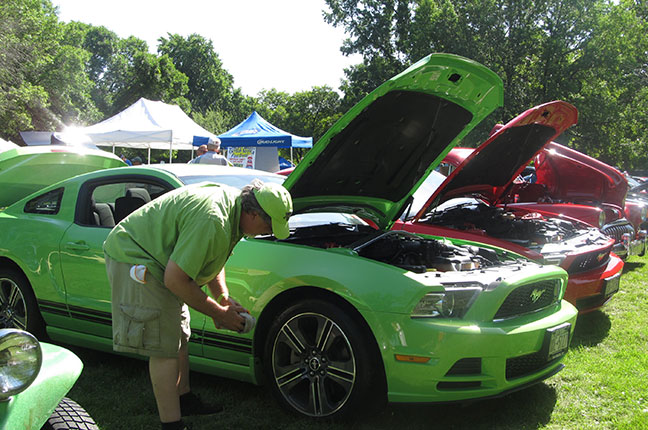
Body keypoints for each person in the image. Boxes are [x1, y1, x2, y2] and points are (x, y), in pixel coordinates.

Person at [103, 180, 292, 430]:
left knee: (179, 333)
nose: (267, 232)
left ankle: (184, 398)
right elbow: (175, 279)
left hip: (162, 262)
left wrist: (222, 297)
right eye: (268, 225)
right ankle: (172, 425)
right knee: (163, 346)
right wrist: (219, 314)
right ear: (253, 213)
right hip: (136, 257)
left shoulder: (233, 210)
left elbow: (212, 256)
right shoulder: (213, 219)